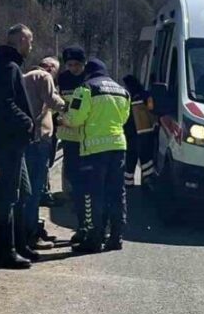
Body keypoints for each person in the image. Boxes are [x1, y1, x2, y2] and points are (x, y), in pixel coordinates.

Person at [0, 24, 36, 269]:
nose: (31, 46)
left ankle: (20, 244)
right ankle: (6, 251)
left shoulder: (6, 65)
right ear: (20, 40)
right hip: (9, 141)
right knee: (9, 196)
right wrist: (26, 122)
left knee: (22, 193)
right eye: (29, 41)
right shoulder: (7, 67)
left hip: (12, 140)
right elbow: (2, 103)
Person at [66, 58, 131, 253]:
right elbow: (124, 118)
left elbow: (75, 119)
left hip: (94, 150)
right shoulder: (122, 91)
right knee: (117, 192)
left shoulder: (85, 89)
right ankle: (116, 237)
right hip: (118, 146)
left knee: (94, 194)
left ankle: (94, 239)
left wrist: (62, 119)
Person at [22, 57, 66, 250]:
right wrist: (71, 106)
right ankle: (31, 235)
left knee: (28, 188)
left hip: (28, 138)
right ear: (50, 68)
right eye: (56, 70)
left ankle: (29, 230)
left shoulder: (25, 76)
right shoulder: (43, 76)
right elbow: (53, 101)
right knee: (35, 189)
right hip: (39, 138)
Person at [56, 46, 87, 242]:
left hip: (85, 137)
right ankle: (76, 202)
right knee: (73, 176)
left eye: (77, 65)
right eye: (70, 65)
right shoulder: (62, 78)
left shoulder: (88, 80)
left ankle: (84, 213)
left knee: (85, 178)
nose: (73, 68)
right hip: (68, 135)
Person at [122, 74, 157, 189]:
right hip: (145, 132)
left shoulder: (126, 97)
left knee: (130, 159)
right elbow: (152, 110)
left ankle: (128, 185)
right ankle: (148, 181)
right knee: (146, 158)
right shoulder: (146, 95)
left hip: (130, 133)